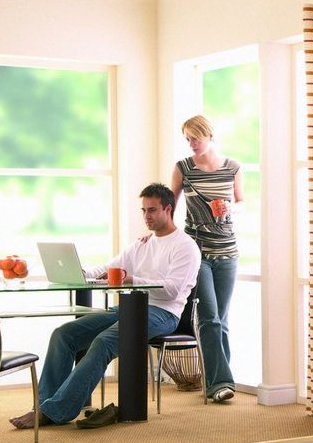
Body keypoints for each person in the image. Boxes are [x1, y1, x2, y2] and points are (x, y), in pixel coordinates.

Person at [10, 183, 201, 429]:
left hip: (163, 313)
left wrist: (133, 279)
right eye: (143, 210)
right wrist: (84, 274)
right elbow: (111, 266)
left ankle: (55, 411)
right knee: (64, 334)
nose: (146, 216)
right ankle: (46, 405)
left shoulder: (185, 246)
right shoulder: (142, 244)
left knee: (103, 342)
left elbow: (173, 289)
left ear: (168, 209)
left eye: (152, 210)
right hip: (129, 308)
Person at [171, 115, 244, 403]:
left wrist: (229, 208)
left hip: (228, 251)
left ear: (209, 136)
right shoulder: (183, 169)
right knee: (209, 317)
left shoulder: (233, 168)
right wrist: (155, 237)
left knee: (221, 319)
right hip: (196, 251)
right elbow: (169, 206)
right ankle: (220, 384)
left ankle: (216, 382)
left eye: (194, 138)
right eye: (187, 139)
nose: (190, 144)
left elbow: (242, 203)